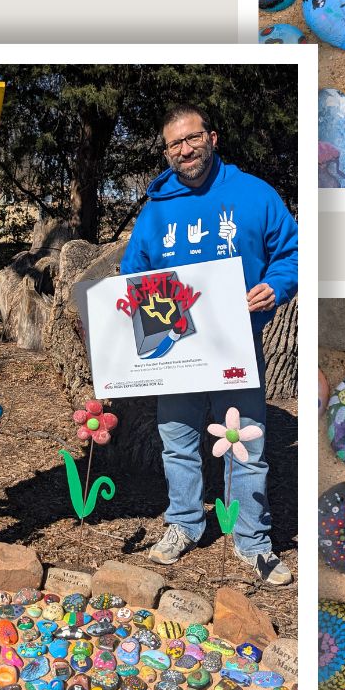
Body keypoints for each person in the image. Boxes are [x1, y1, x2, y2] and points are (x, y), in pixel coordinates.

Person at [119, 104, 298, 585]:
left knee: (246, 448)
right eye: (174, 143)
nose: (184, 150)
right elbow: (132, 274)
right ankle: (183, 524)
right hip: (176, 355)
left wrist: (276, 287)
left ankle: (253, 539)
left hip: (237, 350)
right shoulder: (156, 210)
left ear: (213, 138)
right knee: (177, 442)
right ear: (167, 151)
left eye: (191, 138)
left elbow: (292, 252)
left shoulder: (254, 195)